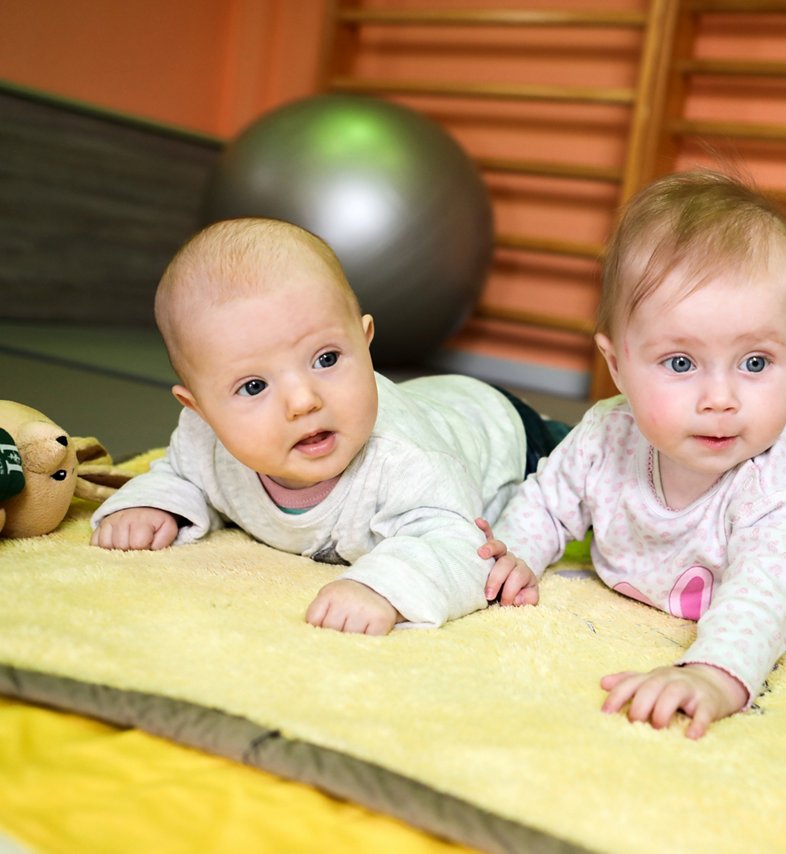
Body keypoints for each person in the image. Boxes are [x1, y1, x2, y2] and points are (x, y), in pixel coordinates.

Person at [481, 169, 786, 738]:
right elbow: (549, 501)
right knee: (557, 455)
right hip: (738, 480)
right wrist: (519, 551)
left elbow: (761, 600)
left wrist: (711, 675)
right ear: (617, 364)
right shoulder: (608, 434)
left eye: (755, 364)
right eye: (681, 363)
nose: (720, 400)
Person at [91, 218, 565, 635]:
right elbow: (181, 473)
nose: (303, 401)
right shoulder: (206, 442)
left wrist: (383, 589)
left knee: (607, 456)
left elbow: (462, 548)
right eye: (254, 386)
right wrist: (154, 506)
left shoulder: (406, 462)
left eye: (326, 358)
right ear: (200, 410)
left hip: (505, 433)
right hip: (433, 401)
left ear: (365, 343)